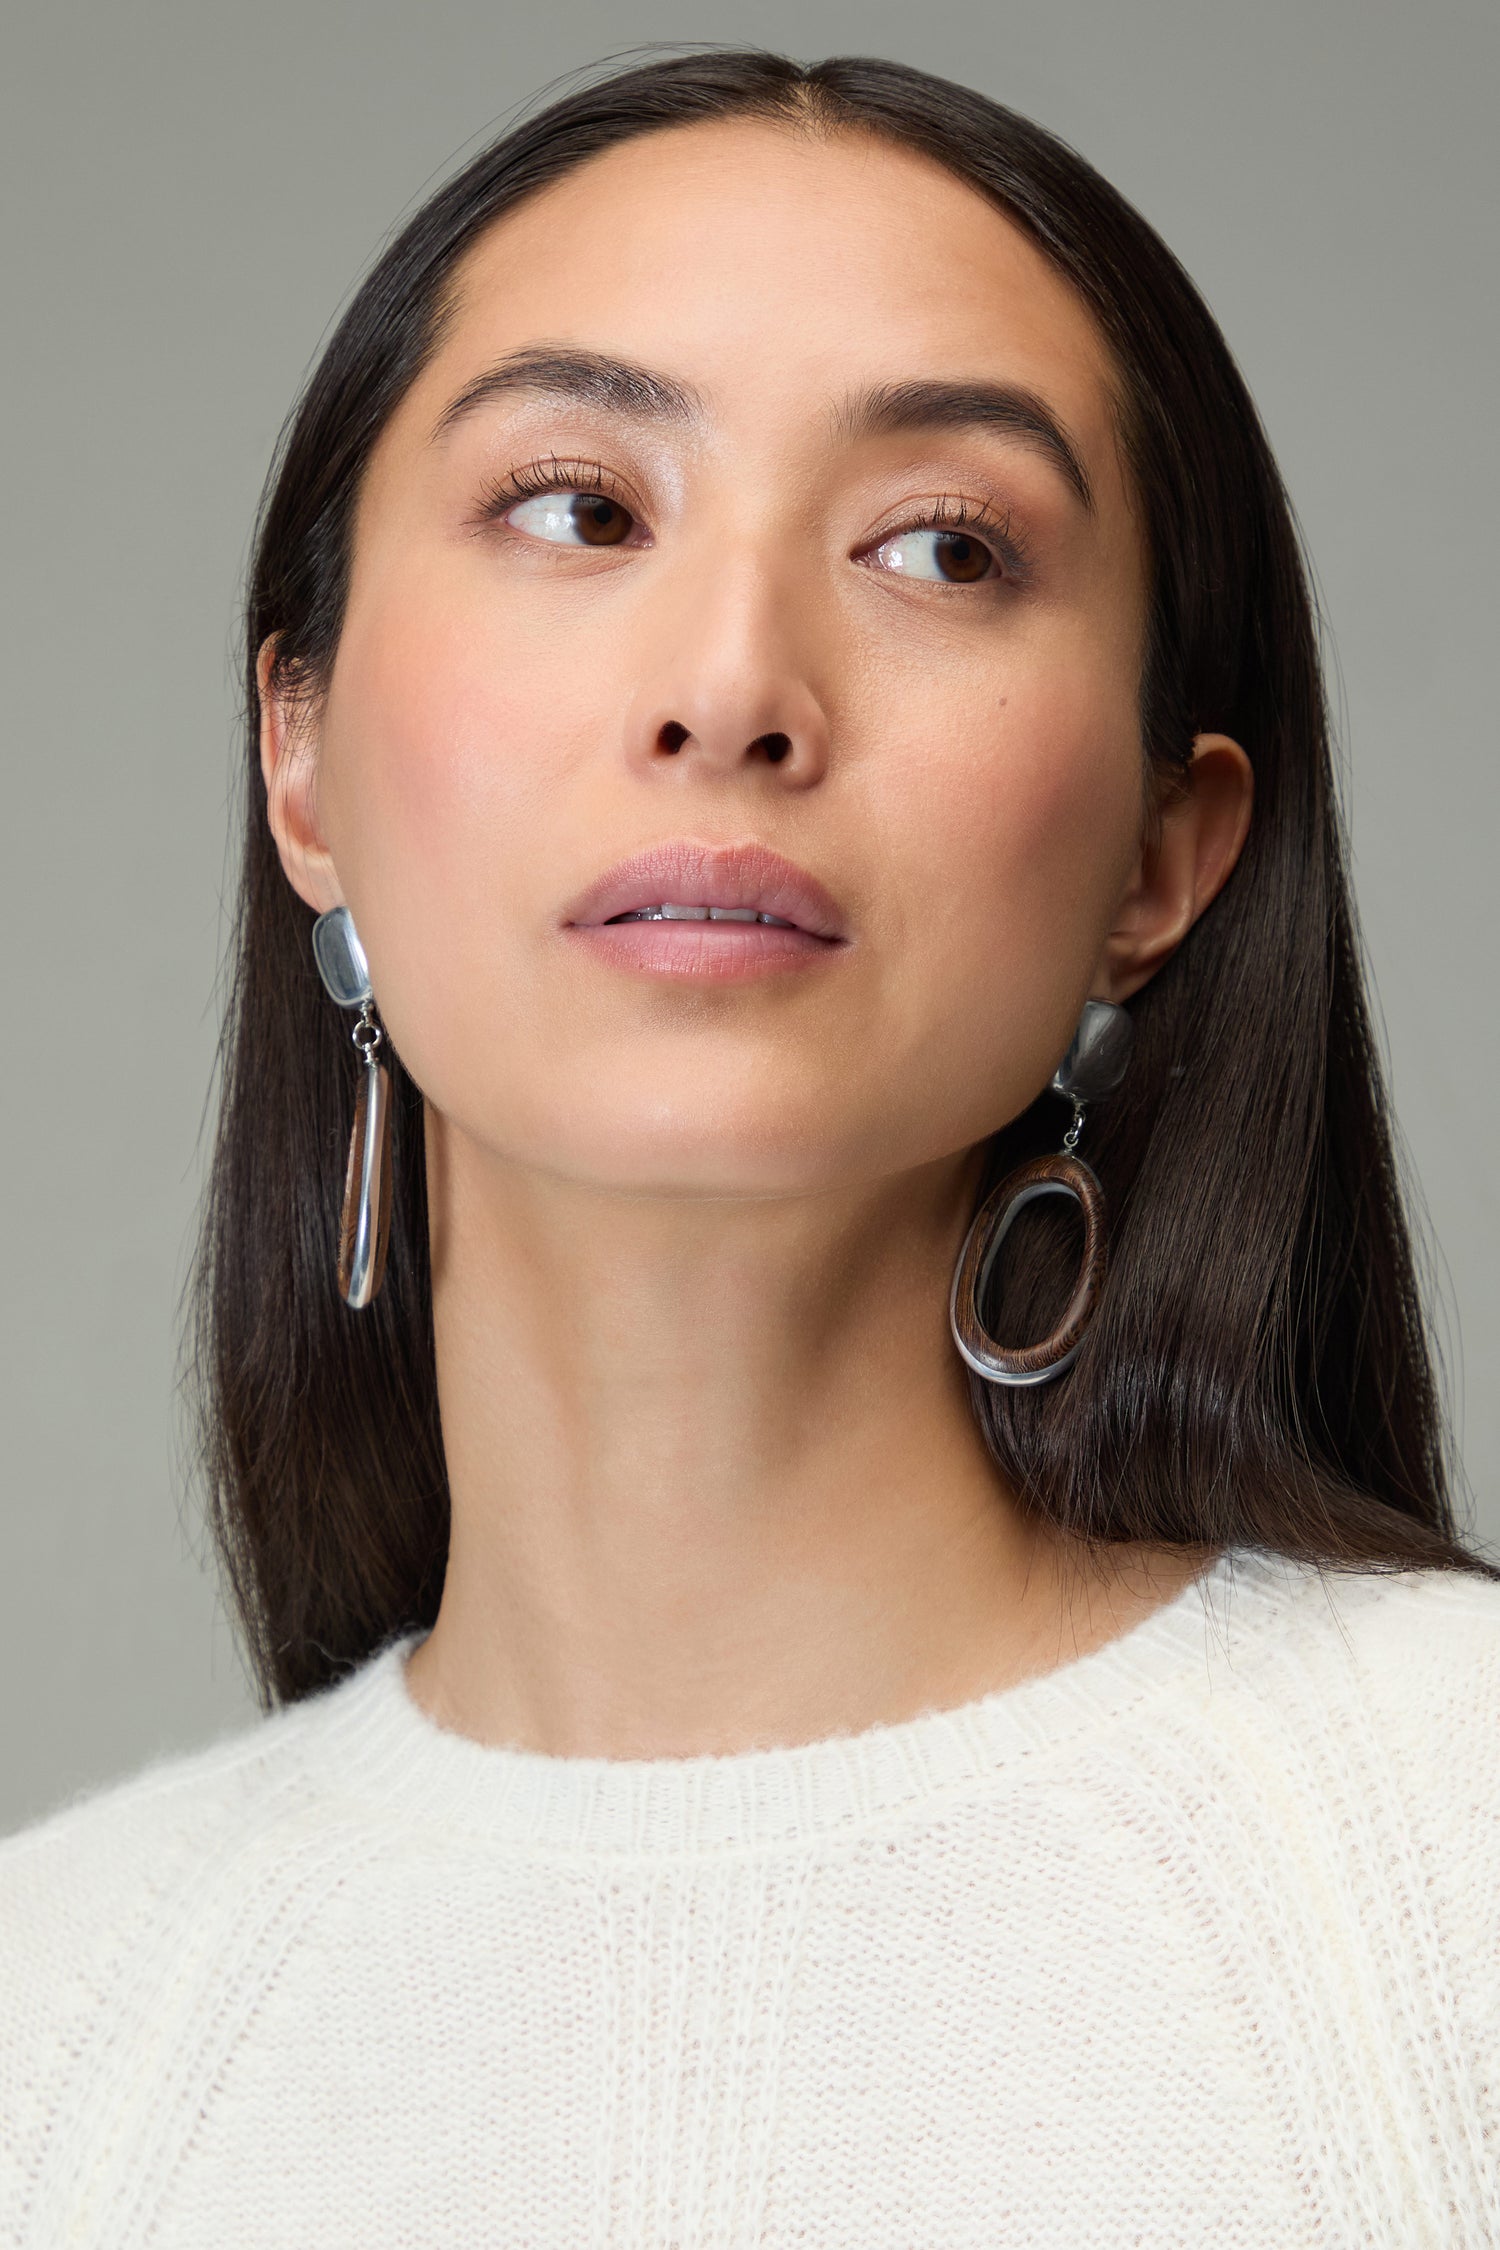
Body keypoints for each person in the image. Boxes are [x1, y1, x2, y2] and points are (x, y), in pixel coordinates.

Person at [2, 48, 1496, 2247]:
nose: (733, 687)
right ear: (298, 762)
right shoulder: (56, 2027)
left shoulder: (1453, 1863)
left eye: (943, 546)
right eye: (578, 507)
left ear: (1164, 858)